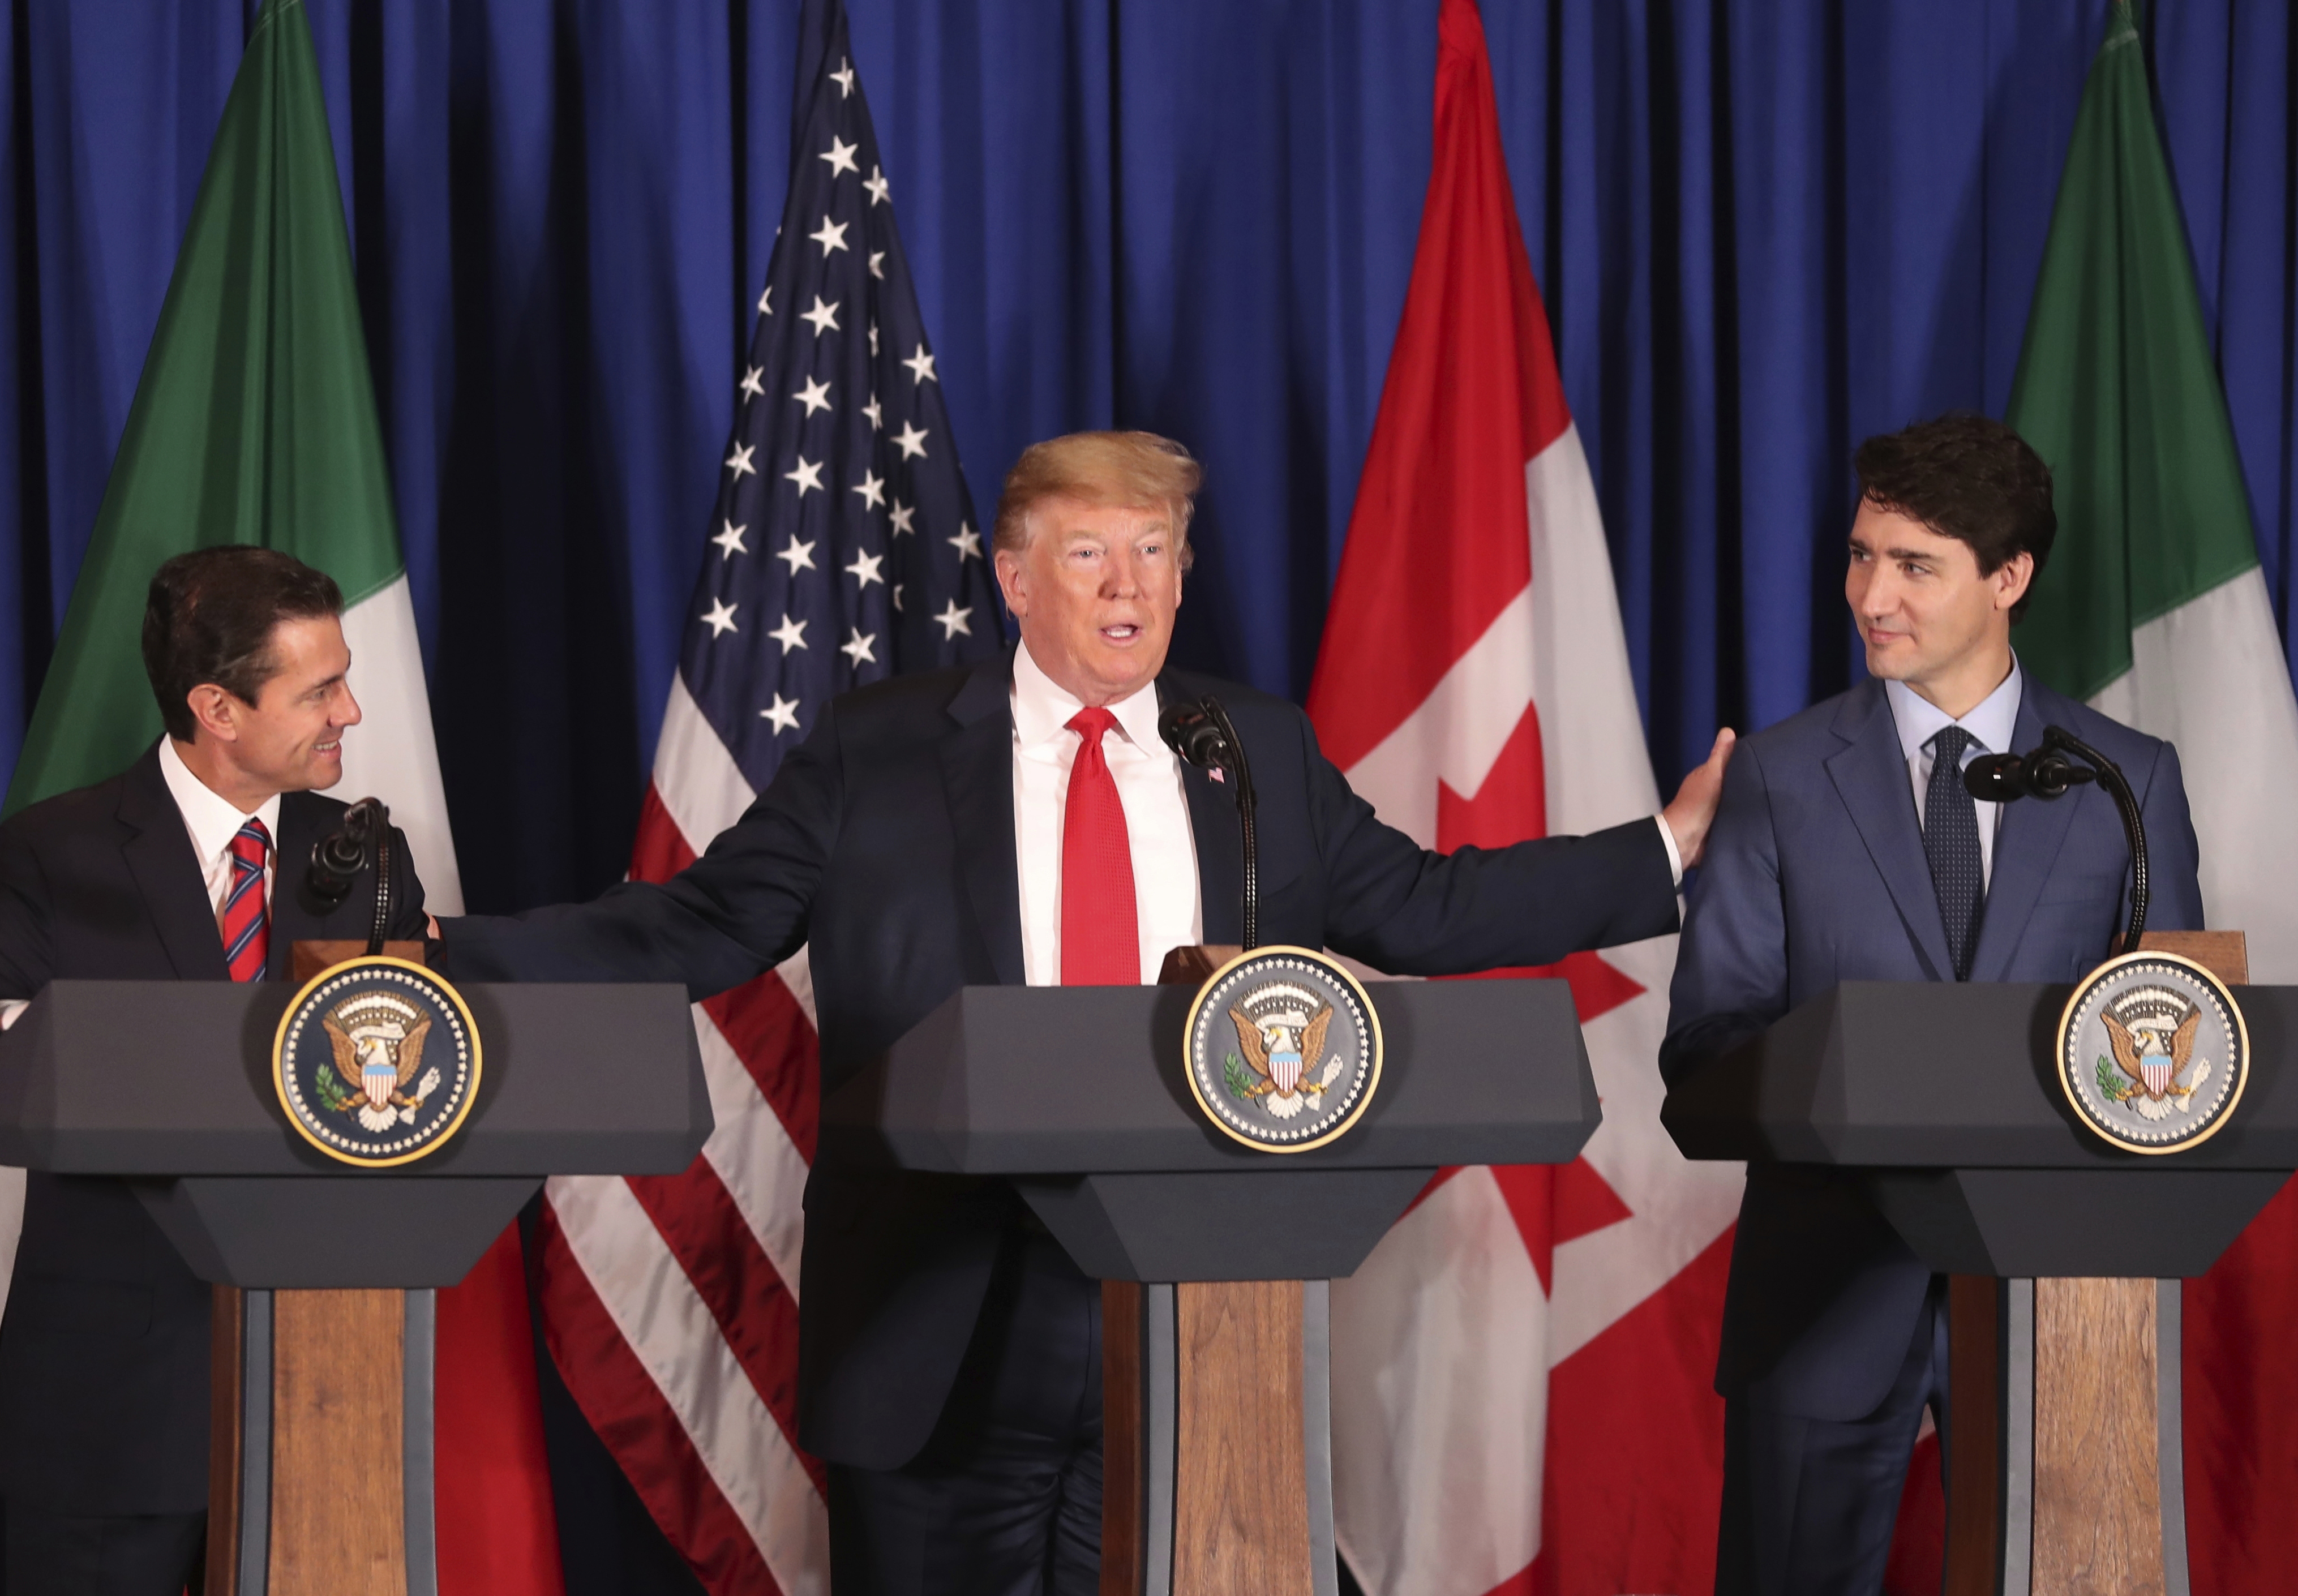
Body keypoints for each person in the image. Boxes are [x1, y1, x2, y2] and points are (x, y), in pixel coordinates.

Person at [436, 430, 1736, 1595]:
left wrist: (1662, 853)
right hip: (946, 1318)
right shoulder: (878, 750)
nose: (1129, 585)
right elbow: (699, 923)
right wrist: (450, 958)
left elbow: (1420, 910)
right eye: (1089, 553)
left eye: (1155, 551)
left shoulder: (1253, 749)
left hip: (1200, 1309)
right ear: (1013, 579)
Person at [1661, 413, 2203, 1596]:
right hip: (1821, 1295)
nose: (1870, 595)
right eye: (1860, 555)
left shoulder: (2125, 778)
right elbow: (1702, 1044)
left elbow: (2174, 1041)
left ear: (2006, 578)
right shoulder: (1777, 778)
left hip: (2057, 1301)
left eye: (1912, 565)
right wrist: (1863, 1081)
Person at [0, 546, 427, 1596]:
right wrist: (56, 1030)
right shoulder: (57, 852)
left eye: (345, 678)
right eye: (320, 690)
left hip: (322, 1409)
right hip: (111, 1411)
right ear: (218, 707)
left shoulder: (363, 854)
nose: (350, 711)